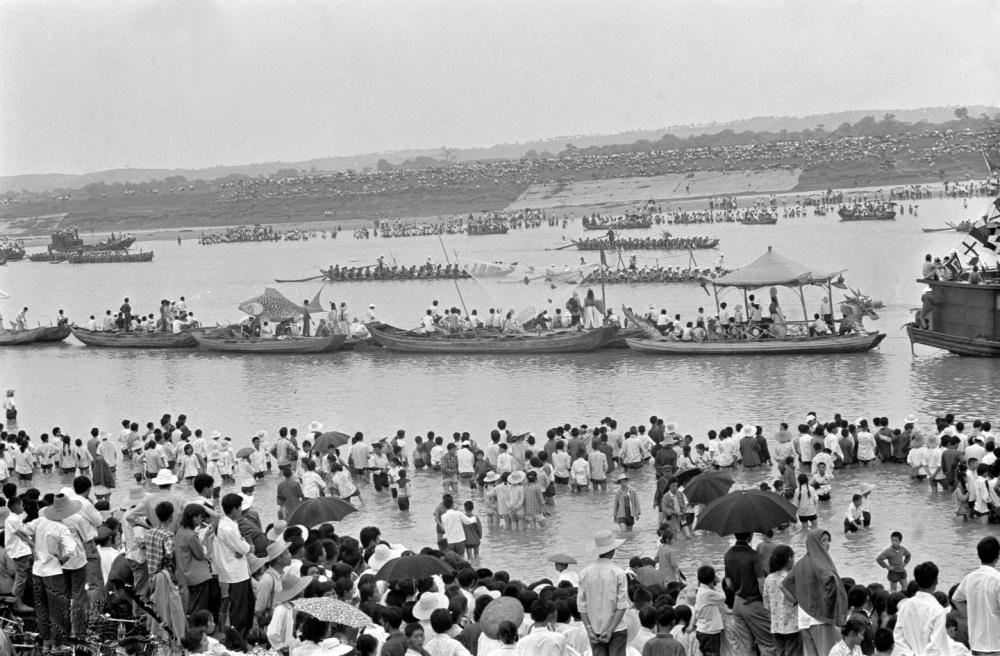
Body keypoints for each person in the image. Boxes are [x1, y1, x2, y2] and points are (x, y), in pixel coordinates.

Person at [783, 529, 848, 656]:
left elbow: (784, 585)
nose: (828, 544)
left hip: (804, 618)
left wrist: (797, 601)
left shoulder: (800, 563)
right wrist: (830, 614)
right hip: (820, 619)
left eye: (828, 540)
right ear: (815, 543)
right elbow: (831, 586)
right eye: (823, 541)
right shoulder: (822, 563)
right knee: (827, 653)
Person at [578, 530, 629, 656]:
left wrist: (589, 630)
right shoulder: (619, 573)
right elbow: (621, 606)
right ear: (613, 550)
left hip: (595, 629)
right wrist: (610, 630)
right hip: (617, 629)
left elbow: (582, 606)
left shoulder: (584, 574)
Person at [724, 532, 776, 656]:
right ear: (750, 537)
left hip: (737, 603)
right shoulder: (753, 555)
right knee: (768, 644)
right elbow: (762, 584)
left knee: (745, 646)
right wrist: (768, 605)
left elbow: (728, 583)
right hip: (754, 603)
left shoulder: (728, 554)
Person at [951, 536, 1000, 656]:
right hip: (995, 644)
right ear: (997, 557)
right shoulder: (997, 579)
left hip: (975, 644)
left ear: (979, 555)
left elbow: (956, 599)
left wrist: (970, 616)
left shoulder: (970, 578)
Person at [213, 493, 254, 636]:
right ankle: (237, 638)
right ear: (234, 509)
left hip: (239, 572)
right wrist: (245, 548)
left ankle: (243, 635)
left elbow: (241, 548)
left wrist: (243, 549)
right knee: (239, 609)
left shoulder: (230, 524)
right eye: (240, 507)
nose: (241, 510)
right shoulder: (227, 528)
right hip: (236, 574)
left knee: (247, 604)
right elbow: (245, 548)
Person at [893, 561, 949, 656]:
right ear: (936, 581)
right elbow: (935, 646)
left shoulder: (905, 606)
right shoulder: (938, 610)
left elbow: (898, 637)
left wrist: (910, 654)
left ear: (917, 582)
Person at [762, 545, 799, 656]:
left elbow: (766, 603)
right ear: (789, 559)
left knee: (779, 653)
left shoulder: (769, 578)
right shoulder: (790, 578)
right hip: (792, 626)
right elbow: (797, 600)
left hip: (776, 626)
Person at [693, 565, 725, 656]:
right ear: (712, 579)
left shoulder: (700, 590)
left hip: (702, 629)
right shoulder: (708, 593)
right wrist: (717, 585)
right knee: (713, 653)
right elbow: (723, 597)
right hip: (711, 631)